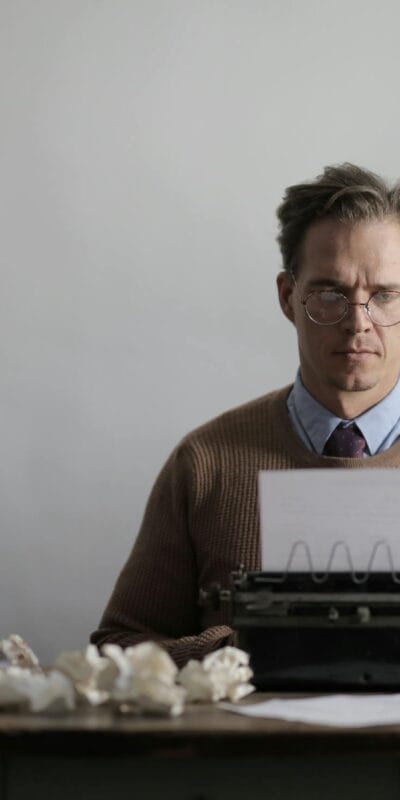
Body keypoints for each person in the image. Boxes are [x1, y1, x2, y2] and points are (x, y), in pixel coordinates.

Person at [91, 163, 400, 666]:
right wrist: (240, 648)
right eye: (330, 295)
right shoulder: (206, 462)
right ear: (287, 297)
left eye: (384, 296)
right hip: (252, 745)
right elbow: (116, 649)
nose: (358, 323)